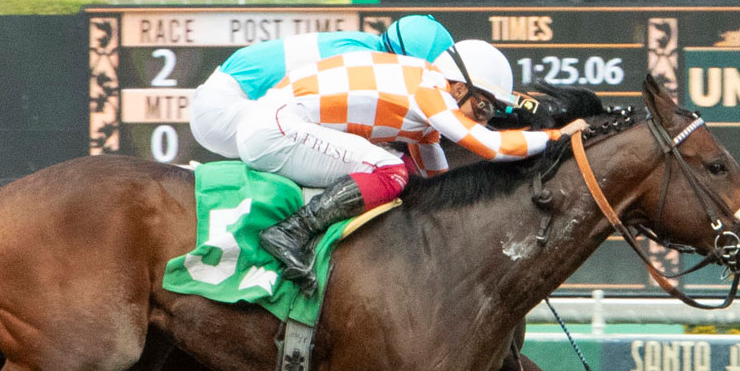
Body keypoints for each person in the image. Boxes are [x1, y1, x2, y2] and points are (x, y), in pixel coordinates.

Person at [234, 39, 589, 294]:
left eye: (491, 112)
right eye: (483, 107)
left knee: (400, 169)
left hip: (276, 123)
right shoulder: (429, 93)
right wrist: (557, 136)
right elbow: (490, 146)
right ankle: (291, 231)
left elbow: (437, 184)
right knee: (390, 170)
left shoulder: (424, 97)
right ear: (459, 88)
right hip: (273, 130)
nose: (484, 118)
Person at [189, 15, 454, 160]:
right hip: (225, 112)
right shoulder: (363, 60)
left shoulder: (368, 46)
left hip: (224, 103)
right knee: (370, 161)